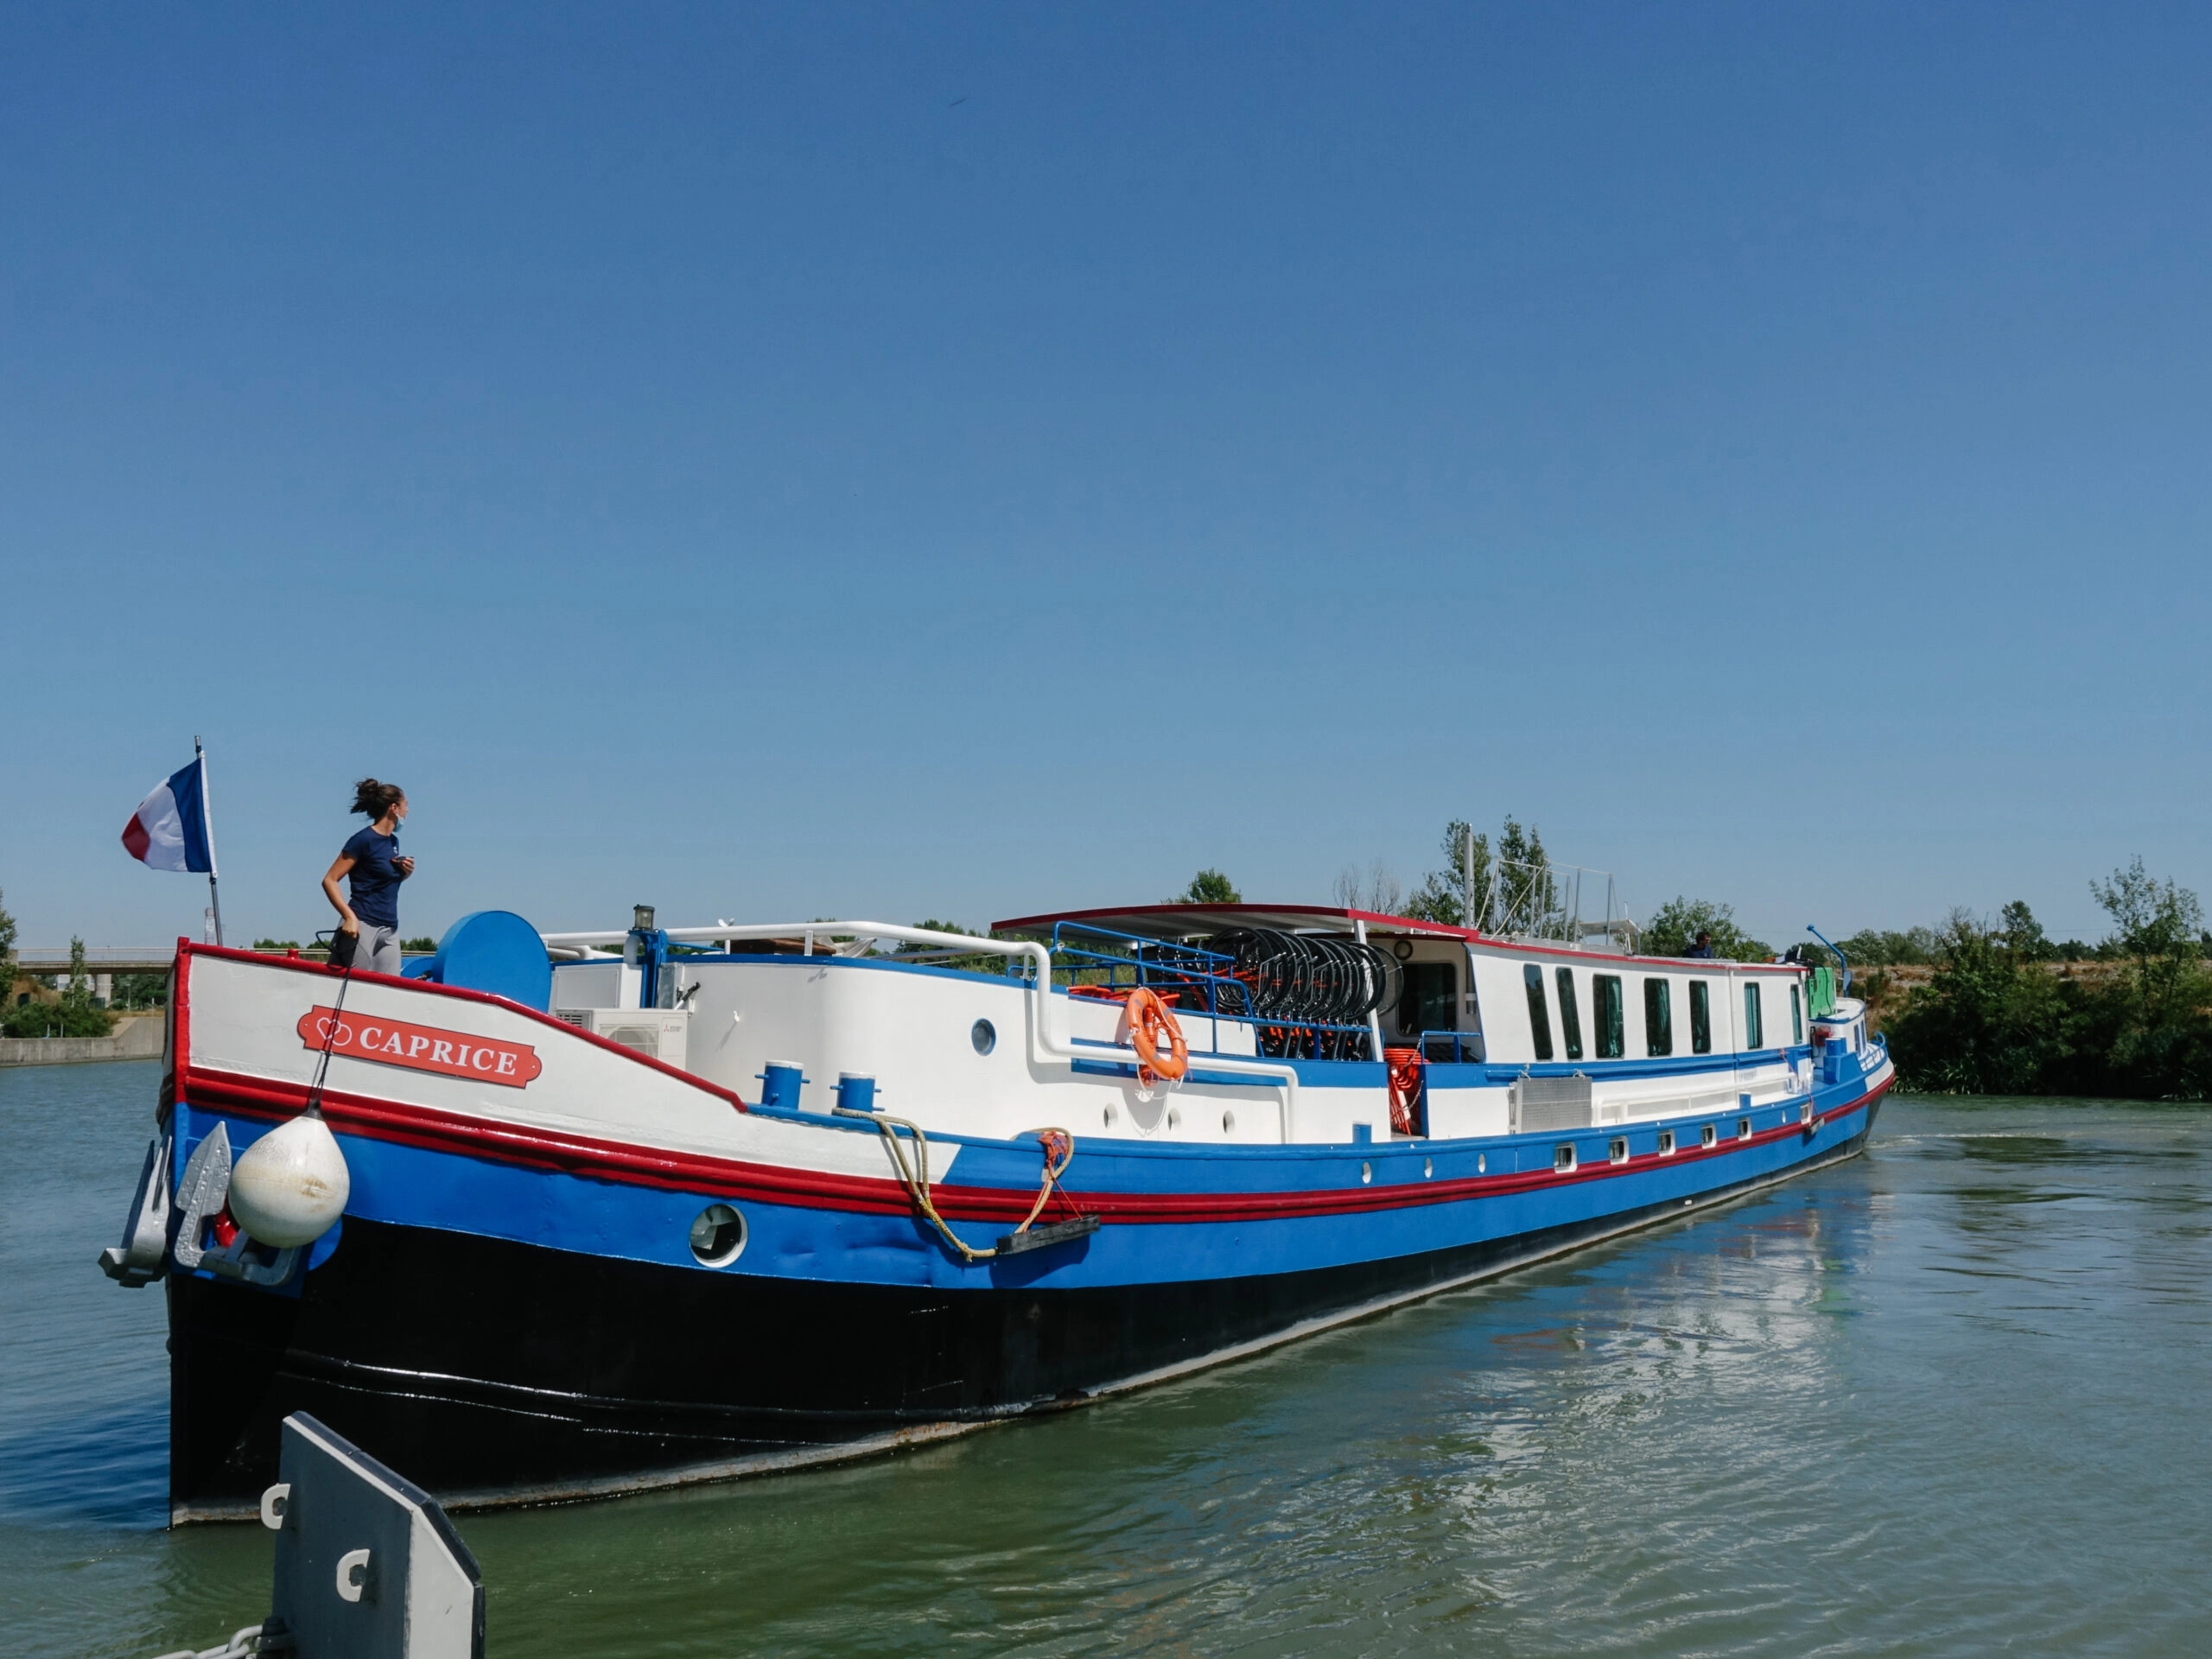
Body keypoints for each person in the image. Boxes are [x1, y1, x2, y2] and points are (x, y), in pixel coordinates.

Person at [322, 779, 414, 974]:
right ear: (394, 808)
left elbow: (380, 882)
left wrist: (404, 874)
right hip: (361, 925)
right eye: (406, 805)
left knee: (389, 992)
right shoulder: (362, 840)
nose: (408, 810)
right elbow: (329, 880)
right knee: (352, 990)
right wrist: (349, 917)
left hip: (390, 929)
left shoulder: (394, 842)